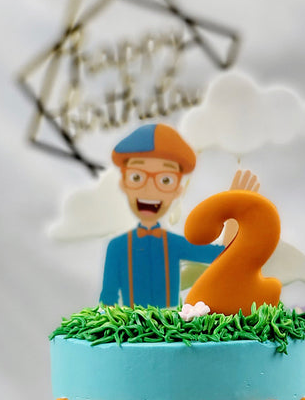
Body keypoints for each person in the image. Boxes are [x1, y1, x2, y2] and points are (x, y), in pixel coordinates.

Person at [100, 123, 254, 308]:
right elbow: (107, 299)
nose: (150, 188)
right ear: (124, 183)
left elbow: (221, 256)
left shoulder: (173, 243)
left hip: (170, 325)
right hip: (130, 325)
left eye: (165, 180)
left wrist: (234, 213)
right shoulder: (117, 247)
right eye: (137, 177)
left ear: (178, 190)